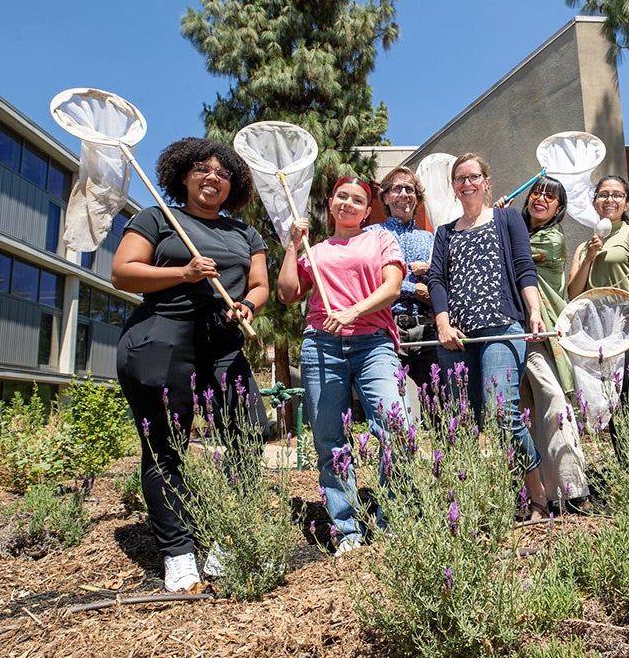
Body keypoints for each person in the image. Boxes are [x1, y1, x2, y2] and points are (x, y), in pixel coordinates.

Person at [112, 137, 272, 592]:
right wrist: (182, 274)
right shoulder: (158, 219)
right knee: (165, 445)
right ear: (183, 174)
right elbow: (123, 272)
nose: (213, 178)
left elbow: (258, 284)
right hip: (162, 336)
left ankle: (226, 539)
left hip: (222, 343)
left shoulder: (245, 234)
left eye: (223, 173)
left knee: (248, 433)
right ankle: (178, 552)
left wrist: (248, 306)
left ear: (234, 185)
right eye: (203, 169)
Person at [277, 176, 406, 556]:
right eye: (342, 197)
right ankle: (347, 529)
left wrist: (352, 310)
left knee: (397, 430)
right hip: (322, 345)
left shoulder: (380, 239)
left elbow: (393, 287)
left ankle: (390, 521)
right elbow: (287, 294)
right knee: (330, 439)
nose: (348, 203)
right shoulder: (315, 252)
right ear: (331, 204)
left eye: (357, 200)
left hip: (374, 343)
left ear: (368, 211)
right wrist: (291, 247)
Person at [428, 153, 549, 521]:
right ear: (454, 187)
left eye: (473, 177)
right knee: (464, 421)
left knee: (502, 413)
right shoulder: (445, 233)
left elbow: (523, 266)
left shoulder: (507, 218)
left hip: (501, 327)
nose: (467, 183)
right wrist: (443, 324)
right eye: (460, 178)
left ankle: (537, 491)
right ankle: (482, 502)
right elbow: (437, 280)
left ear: (486, 181)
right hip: (457, 338)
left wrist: (534, 311)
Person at [509, 177, 590, 513]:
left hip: (543, 332)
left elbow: (515, 256)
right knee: (524, 411)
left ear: (559, 207)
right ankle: (536, 493)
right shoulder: (515, 231)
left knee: (554, 401)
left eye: (551, 197)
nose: (541, 198)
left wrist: (500, 221)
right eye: (537, 192)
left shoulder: (552, 239)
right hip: (513, 330)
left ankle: (571, 489)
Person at [566, 175, 629, 448]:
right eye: (603, 195)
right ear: (594, 203)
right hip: (597, 333)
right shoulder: (584, 246)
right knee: (610, 401)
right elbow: (573, 295)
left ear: (627, 202)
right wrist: (589, 257)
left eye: (617, 195)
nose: (610, 200)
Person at [365, 166, 438, 395]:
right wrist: (413, 289)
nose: (404, 194)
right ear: (385, 196)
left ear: (417, 198)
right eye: (397, 189)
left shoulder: (430, 238)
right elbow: (371, 279)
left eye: (410, 189)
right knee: (390, 399)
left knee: (438, 401)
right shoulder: (371, 234)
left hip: (426, 328)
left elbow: (441, 278)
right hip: (386, 326)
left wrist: (429, 274)